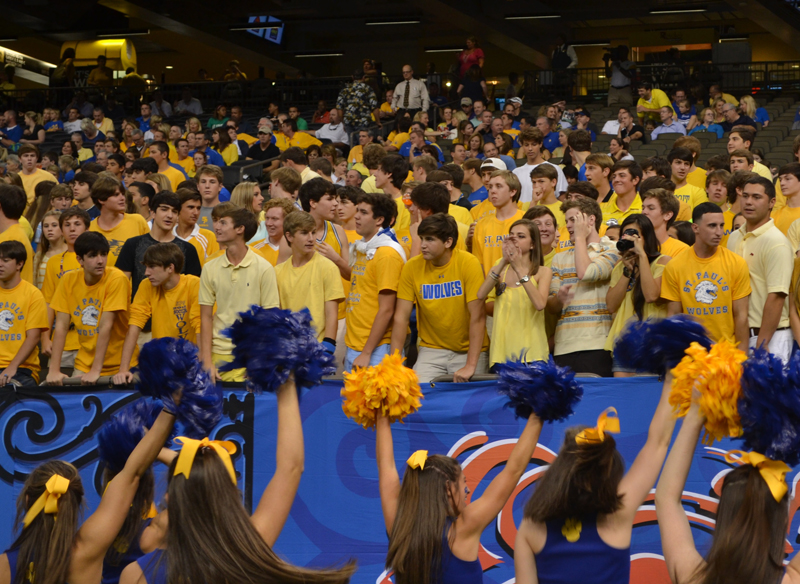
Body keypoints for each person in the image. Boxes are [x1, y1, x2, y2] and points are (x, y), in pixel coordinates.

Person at [121, 374, 354, 584]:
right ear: (228, 496)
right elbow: (290, 468)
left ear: (169, 498)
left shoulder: (136, 575)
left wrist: (151, 442)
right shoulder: (246, 551)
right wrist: (286, 379)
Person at [515, 374, 675, 584]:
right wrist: (672, 377)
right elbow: (658, 443)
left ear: (560, 469)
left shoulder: (531, 526)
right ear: (606, 474)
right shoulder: (617, 516)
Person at [6, 407, 176, 584]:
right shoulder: (87, 549)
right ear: (76, 502)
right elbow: (134, 475)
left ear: (27, 500)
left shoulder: (5, 565)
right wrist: (168, 413)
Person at [378, 399, 541, 584]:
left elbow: (386, 466)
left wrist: (381, 406)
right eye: (464, 482)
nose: (467, 489)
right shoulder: (464, 528)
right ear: (448, 488)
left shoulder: (399, 525)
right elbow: (513, 470)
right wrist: (539, 412)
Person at [391, 210, 487, 381]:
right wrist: (394, 364)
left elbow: (477, 317)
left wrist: (470, 365)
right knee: (417, 393)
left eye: (430, 239)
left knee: (467, 397)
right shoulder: (412, 267)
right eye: (421, 238)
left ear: (448, 242)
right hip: (431, 349)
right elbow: (401, 317)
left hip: (469, 350)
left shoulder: (468, 263)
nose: (422, 245)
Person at [199, 207, 279, 381]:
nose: (216, 227)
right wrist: (206, 360)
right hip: (218, 358)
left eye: (223, 223)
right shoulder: (209, 267)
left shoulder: (264, 268)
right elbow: (205, 317)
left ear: (240, 229)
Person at [662, 202, 751, 350]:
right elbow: (674, 316)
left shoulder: (736, 263)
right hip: (690, 352)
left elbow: (741, 316)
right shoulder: (675, 266)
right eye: (712, 226)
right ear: (695, 228)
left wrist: (742, 357)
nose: (719, 232)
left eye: (721, 226)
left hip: (726, 352)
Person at [47, 231, 133, 384]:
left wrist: (95, 370)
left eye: (103, 254)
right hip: (84, 363)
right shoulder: (68, 280)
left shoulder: (117, 278)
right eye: (93, 256)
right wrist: (54, 370)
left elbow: (106, 326)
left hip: (119, 365)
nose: (100, 261)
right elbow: (61, 326)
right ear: (80, 259)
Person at [547, 197, 619, 377]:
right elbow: (552, 307)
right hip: (563, 346)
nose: (568, 226)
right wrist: (559, 299)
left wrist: (579, 237)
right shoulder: (559, 258)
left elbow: (586, 273)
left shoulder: (612, 249)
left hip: (598, 344)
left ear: (591, 220)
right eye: (566, 221)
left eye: (573, 220)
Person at [113, 243, 201, 384]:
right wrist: (123, 369)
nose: (146, 272)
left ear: (170, 268)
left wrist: (202, 366)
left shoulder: (194, 284)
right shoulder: (146, 285)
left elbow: (200, 327)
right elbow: (134, 326)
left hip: (191, 363)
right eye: (146, 267)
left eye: (152, 267)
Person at [726, 176, 793, 361]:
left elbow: (777, 296)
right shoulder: (733, 237)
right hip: (739, 335)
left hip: (770, 337)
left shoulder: (777, 242)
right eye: (745, 196)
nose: (748, 202)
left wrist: (762, 345)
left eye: (756, 197)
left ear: (772, 202)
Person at [478, 217, 551, 368]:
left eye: (521, 236)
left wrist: (518, 269)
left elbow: (539, 304)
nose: (514, 239)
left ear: (532, 244)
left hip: (533, 353)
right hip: (501, 353)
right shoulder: (499, 268)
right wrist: (503, 261)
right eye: (511, 235)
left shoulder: (543, 272)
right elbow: (480, 295)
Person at [344, 192, 405, 371]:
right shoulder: (364, 247)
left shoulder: (387, 254)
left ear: (379, 220)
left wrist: (366, 352)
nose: (356, 216)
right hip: (356, 344)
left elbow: (387, 309)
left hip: (376, 348)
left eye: (363, 212)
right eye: (357, 210)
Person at [604, 214, 670, 376]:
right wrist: (627, 272)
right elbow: (611, 306)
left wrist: (642, 257)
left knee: (647, 391)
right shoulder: (620, 266)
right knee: (623, 391)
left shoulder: (663, 262)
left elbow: (651, 295)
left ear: (646, 237)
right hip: (624, 342)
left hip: (652, 343)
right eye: (625, 234)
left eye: (634, 235)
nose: (629, 239)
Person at [116, 192, 202, 304]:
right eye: (164, 209)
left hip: (176, 312)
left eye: (174, 211)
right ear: (152, 213)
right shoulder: (133, 244)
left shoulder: (188, 249)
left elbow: (194, 290)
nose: (170, 215)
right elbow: (120, 286)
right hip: (139, 311)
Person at [274, 211, 344, 346]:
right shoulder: (278, 272)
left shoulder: (328, 267)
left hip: (317, 346)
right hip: (288, 348)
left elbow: (331, 314)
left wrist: (328, 346)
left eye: (313, 232)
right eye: (304, 233)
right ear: (289, 236)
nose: (311, 238)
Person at [0, 240, 47, 386]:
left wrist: (12, 366)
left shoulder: (33, 294)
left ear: (19, 264)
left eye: (5, 261)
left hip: (22, 368)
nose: (0, 264)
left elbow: (33, 337)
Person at [88, 176, 150, 267]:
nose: (122, 198)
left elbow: (150, 256)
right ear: (101, 199)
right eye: (116, 195)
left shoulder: (137, 221)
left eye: (122, 194)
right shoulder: (89, 229)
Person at [472, 170, 524, 273]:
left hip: (519, 281)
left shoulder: (525, 219)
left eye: (499, 186)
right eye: (490, 187)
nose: (492, 191)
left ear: (512, 192)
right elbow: (479, 265)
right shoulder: (481, 224)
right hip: (490, 282)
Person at [513, 129, 568, 205]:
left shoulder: (555, 169)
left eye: (534, 144)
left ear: (540, 144)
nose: (530, 149)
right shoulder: (516, 172)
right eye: (526, 145)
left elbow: (562, 198)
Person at [173, 188, 220, 266]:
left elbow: (215, 267)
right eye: (191, 207)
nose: (196, 212)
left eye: (198, 208)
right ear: (178, 209)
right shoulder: (168, 235)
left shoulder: (209, 237)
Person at [641, 187, 689, 258]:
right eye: (643, 208)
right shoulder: (635, 244)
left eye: (651, 208)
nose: (644, 212)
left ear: (667, 215)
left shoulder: (681, 250)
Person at [252, 197, 295, 266]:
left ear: (288, 221)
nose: (268, 223)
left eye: (274, 219)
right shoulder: (253, 249)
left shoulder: (298, 248)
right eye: (267, 218)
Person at [336, 69, 381, 134]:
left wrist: (342, 122)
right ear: (364, 77)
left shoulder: (345, 89)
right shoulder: (367, 88)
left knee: (351, 140)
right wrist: (378, 121)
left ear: (352, 77)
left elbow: (339, 107)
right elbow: (374, 106)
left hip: (348, 121)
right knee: (363, 139)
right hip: (363, 121)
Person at [602, 160, 643, 228]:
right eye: (614, 177)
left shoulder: (645, 209)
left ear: (635, 180)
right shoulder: (602, 209)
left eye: (622, 176)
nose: (616, 180)